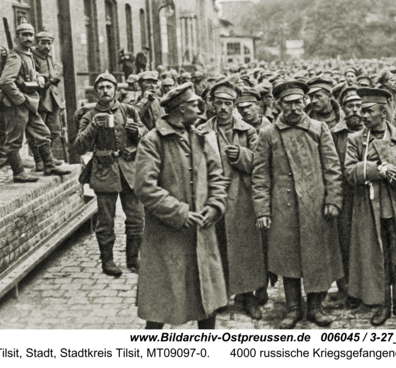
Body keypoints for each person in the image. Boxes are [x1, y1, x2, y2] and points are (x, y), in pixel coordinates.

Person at [135, 82, 230, 330]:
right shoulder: (152, 141)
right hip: (166, 237)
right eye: (195, 105)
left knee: (206, 302)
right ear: (180, 109)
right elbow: (145, 187)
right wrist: (180, 213)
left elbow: (217, 178)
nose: (200, 110)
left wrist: (215, 205)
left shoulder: (201, 138)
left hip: (202, 233)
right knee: (159, 305)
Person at [252, 80, 343, 329]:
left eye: (298, 103)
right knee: (288, 260)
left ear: (304, 102)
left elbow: (332, 167)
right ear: (279, 104)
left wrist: (333, 199)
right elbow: (260, 175)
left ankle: (315, 307)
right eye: (288, 103)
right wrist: (262, 210)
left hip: (316, 206)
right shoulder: (268, 134)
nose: (294, 108)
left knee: (318, 258)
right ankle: (293, 308)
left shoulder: (318, 128)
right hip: (284, 207)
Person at [345, 87, 396, 326]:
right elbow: (350, 171)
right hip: (370, 210)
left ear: (383, 112)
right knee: (377, 258)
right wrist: (377, 170)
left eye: (369, 111)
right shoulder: (355, 140)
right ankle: (382, 305)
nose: (364, 116)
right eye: (362, 111)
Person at [201, 79, 266, 320]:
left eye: (229, 103)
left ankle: (247, 296)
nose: (224, 108)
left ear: (235, 106)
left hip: (241, 198)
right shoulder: (203, 131)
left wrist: (242, 156)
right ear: (212, 105)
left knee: (245, 248)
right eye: (219, 103)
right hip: (213, 199)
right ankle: (221, 296)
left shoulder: (247, 131)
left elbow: (260, 164)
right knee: (217, 248)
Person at [75, 71, 147, 276]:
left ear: (115, 89)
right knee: (105, 221)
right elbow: (79, 147)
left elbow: (147, 134)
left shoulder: (129, 110)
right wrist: (92, 127)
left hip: (129, 171)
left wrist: (138, 132)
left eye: (109, 87)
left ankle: (133, 259)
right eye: (101, 88)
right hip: (104, 172)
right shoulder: (88, 115)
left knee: (136, 218)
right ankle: (107, 261)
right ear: (96, 92)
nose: (105, 91)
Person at [0, 21, 71, 182]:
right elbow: (5, 81)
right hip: (18, 105)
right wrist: (20, 99)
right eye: (24, 35)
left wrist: (39, 77)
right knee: (14, 141)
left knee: (43, 133)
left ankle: (49, 165)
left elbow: (31, 73)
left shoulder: (28, 54)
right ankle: (18, 173)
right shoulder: (15, 56)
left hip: (30, 103)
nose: (28, 38)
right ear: (17, 37)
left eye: (30, 35)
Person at [329, 86, 364, 305]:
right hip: (344, 195)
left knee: (367, 242)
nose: (355, 110)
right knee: (344, 242)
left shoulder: (373, 130)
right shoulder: (334, 134)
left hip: (368, 195)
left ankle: (369, 287)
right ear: (342, 109)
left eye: (359, 106)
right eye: (350, 106)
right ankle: (347, 287)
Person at [30, 29, 65, 171]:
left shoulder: (49, 57)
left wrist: (56, 76)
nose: (47, 46)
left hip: (52, 97)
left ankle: (48, 156)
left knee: (55, 131)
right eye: (43, 43)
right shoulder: (32, 56)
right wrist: (45, 78)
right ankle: (39, 160)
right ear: (37, 43)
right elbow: (33, 75)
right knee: (38, 133)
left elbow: (53, 72)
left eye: (49, 43)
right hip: (39, 98)